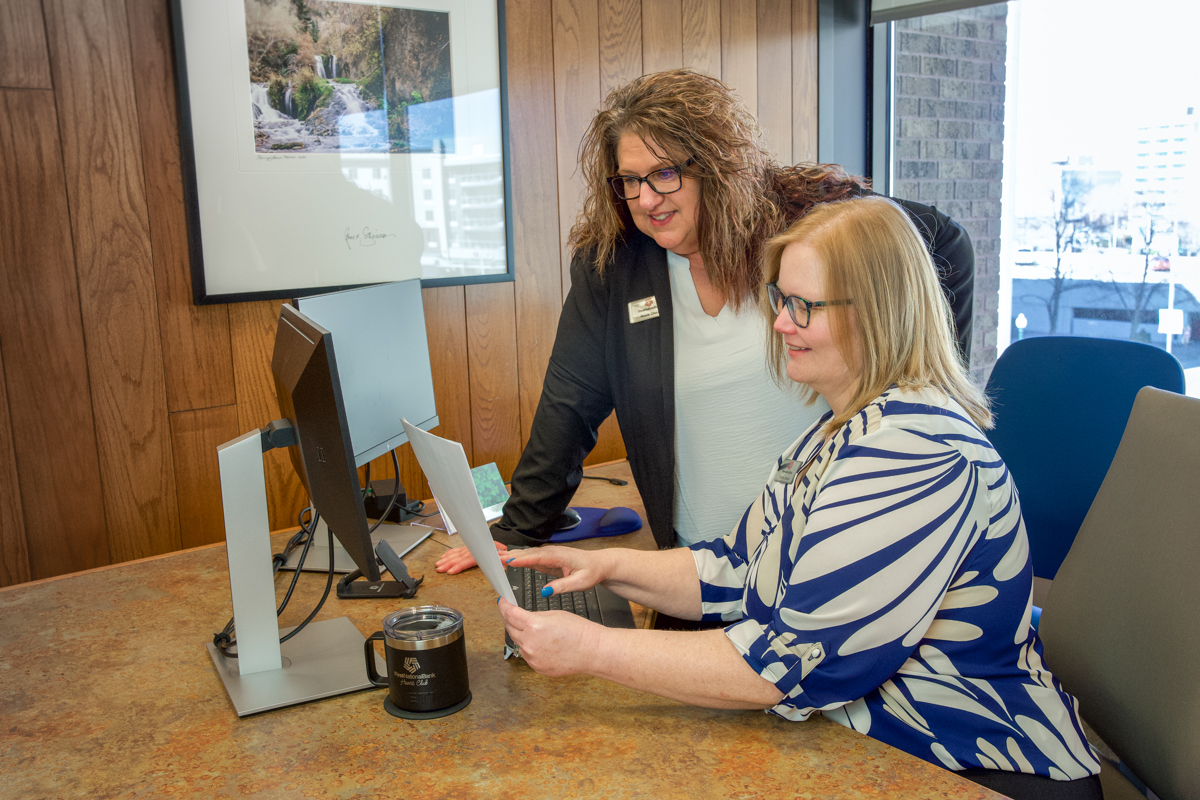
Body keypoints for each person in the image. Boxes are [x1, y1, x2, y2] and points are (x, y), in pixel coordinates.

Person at [497, 197, 1102, 800]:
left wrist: (591, 649)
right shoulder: (838, 428)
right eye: (780, 301)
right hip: (876, 739)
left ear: (878, 314)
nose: (781, 323)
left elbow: (780, 668)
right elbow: (735, 568)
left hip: (973, 764)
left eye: (804, 307)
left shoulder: (914, 452)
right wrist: (604, 567)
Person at [436, 69, 974, 573]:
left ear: (717, 166)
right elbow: (569, 403)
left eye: (665, 173)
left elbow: (938, 240)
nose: (646, 199)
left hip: (829, 561)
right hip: (698, 572)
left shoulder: (810, 230)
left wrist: (925, 395)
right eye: (629, 180)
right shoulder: (617, 264)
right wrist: (518, 529)